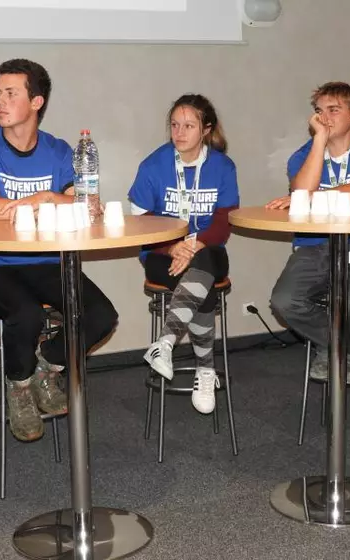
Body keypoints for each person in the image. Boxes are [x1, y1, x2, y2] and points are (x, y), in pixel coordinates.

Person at [0, 59, 118, 442]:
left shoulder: (60, 150)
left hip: (46, 261)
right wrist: (50, 198)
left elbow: (84, 204)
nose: (0, 101)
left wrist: (50, 198)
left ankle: (46, 369)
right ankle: (19, 388)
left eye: (11, 93)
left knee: (99, 315)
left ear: (36, 102)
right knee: (26, 314)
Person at [268, 82, 350, 382]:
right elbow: (300, 191)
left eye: (334, 110)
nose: (325, 117)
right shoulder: (302, 155)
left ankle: (332, 346)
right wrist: (319, 142)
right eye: (319, 111)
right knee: (284, 300)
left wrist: (316, 195)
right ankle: (349, 347)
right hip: (316, 245)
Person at [129, 93, 240, 414]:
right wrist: (172, 246)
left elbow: (223, 221)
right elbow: (140, 225)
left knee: (203, 263)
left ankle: (165, 343)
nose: (179, 132)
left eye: (188, 125)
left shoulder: (222, 166)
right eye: (174, 125)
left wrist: (195, 244)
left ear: (206, 129)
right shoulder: (153, 165)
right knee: (201, 282)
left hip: (207, 250)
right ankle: (206, 370)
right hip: (161, 256)